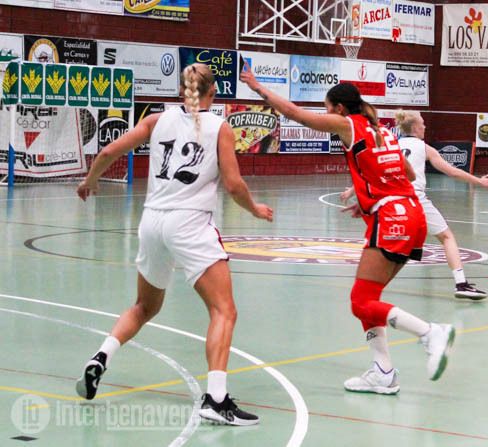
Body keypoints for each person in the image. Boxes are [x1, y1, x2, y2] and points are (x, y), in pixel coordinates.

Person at [75, 63, 273, 425]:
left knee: (143, 306)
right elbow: (233, 185)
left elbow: (107, 153)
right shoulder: (219, 127)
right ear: (213, 92)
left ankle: (101, 357)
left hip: (152, 222)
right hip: (189, 223)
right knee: (224, 311)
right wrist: (255, 209)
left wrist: (90, 180)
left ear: (182, 91)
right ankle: (216, 399)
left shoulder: (156, 120)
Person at [240, 67, 456, 395]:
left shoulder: (348, 125)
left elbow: (294, 114)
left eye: (327, 109)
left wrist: (258, 87)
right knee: (369, 297)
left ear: (339, 109)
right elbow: (409, 175)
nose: (326, 114)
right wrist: (368, 198)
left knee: (359, 302)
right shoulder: (381, 131)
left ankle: (430, 333)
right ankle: (383, 371)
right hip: (412, 215)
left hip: (392, 219)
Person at [342, 111, 488, 300]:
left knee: (388, 246)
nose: (425, 126)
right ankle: (461, 284)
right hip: (414, 200)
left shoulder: (392, 145)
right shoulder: (424, 148)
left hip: (390, 201)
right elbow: (452, 172)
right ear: (415, 127)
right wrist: (479, 181)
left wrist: (352, 191)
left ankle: (368, 287)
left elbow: (372, 170)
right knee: (447, 237)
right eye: (422, 123)